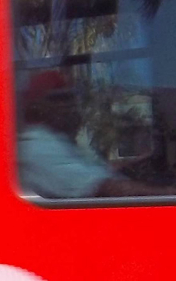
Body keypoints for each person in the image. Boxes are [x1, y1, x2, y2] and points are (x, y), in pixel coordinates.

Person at [18, 69, 158, 199]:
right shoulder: (37, 147)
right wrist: (167, 193)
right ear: (38, 107)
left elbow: (96, 170)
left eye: (71, 98)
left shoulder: (58, 140)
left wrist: (140, 160)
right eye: (60, 99)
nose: (71, 106)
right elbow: (106, 187)